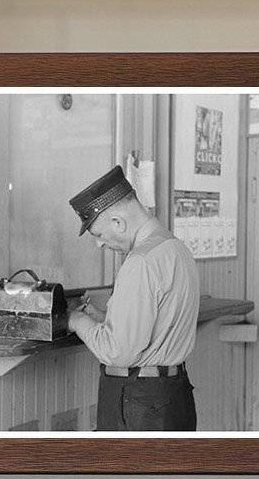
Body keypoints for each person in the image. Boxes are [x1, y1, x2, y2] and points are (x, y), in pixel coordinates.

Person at [67, 165, 200, 431]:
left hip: (140, 403)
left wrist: (76, 320)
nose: (99, 244)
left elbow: (119, 352)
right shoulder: (175, 248)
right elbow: (157, 322)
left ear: (118, 222)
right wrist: (103, 319)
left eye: (98, 234)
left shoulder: (140, 262)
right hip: (174, 396)